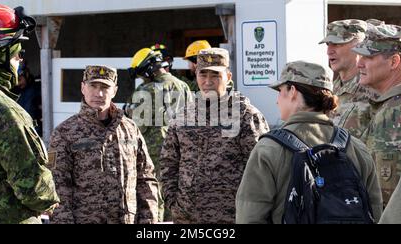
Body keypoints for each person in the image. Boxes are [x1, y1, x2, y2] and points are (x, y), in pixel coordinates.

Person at [235, 61, 383, 224]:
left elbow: (249, 217)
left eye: (280, 91)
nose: (277, 101)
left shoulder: (269, 149)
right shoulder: (356, 148)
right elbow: (375, 213)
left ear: (292, 91)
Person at [0, 4, 59, 224]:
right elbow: (32, 189)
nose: (21, 59)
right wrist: (50, 200)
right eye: (18, 52)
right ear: (0, 51)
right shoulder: (4, 112)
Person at [160, 48, 270, 224]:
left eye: (215, 75)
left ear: (228, 77)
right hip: (187, 219)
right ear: (196, 75)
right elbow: (168, 163)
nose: (208, 81)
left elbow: (262, 169)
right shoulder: (182, 116)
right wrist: (174, 204)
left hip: (232, 218)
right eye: (203, 75)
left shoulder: (246, 116)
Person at [49, 65, 158, 224]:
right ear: (82, 88)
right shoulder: (64, 133)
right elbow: (57, 187)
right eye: (93, 86)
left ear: (114, 90)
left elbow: (146, 178)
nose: (98, 93)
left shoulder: (130, 128)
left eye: (105, 87)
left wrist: (149, 219)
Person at [125, 48, 190, 221]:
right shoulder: (182, 85)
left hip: (153, 150)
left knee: (153, 193)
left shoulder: (146, 90)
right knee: (175, 189)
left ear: (148, 69)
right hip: (181, 148)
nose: (142, 78)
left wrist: (127, 110)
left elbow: (136, 123)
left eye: (141, 75)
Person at [352, 23, 401, 206]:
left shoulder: (399, 110)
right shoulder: (388, 106)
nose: (359, 63)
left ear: (394, 62)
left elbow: (389, 199)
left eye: (368, 56)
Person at [319, 19, 378, 139]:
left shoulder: (374, 90)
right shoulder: (330, 90)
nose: (329, 51)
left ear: (358, 46)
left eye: (337, 44)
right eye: (328, 44)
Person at [13, 59, 43, 135]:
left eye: (19, 79)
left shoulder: (38, 89)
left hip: (35, 133)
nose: (17, 84)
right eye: (15, 80)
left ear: (26, 75)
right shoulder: (15, 91)